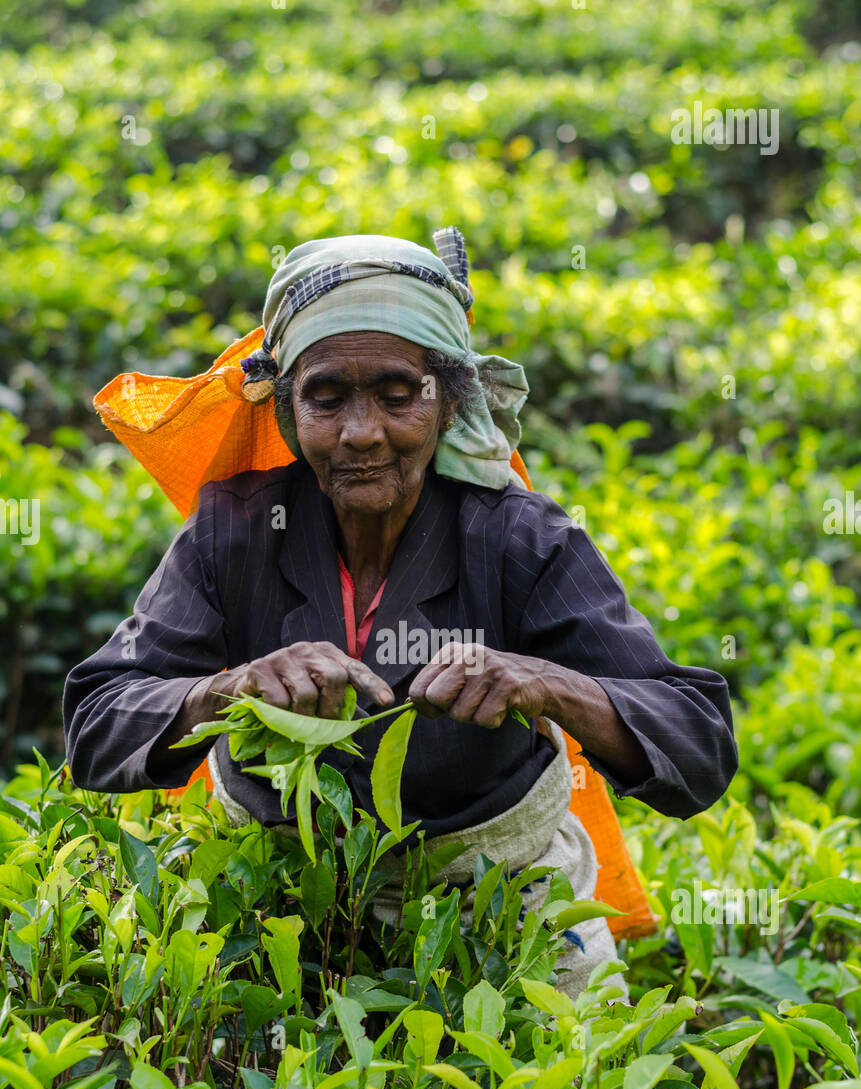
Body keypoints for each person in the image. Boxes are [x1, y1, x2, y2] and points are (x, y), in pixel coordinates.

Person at [63, 228, 738, 997]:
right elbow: (96, 724)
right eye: (325, 397)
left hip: (502, 911)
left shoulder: (519, 538)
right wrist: (231, 689)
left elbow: (697, 746)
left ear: (449, 401)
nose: (361, 432)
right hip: (275, 914)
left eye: (396, 394)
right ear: (284, 410)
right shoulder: (235, 531)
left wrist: (541, 683)